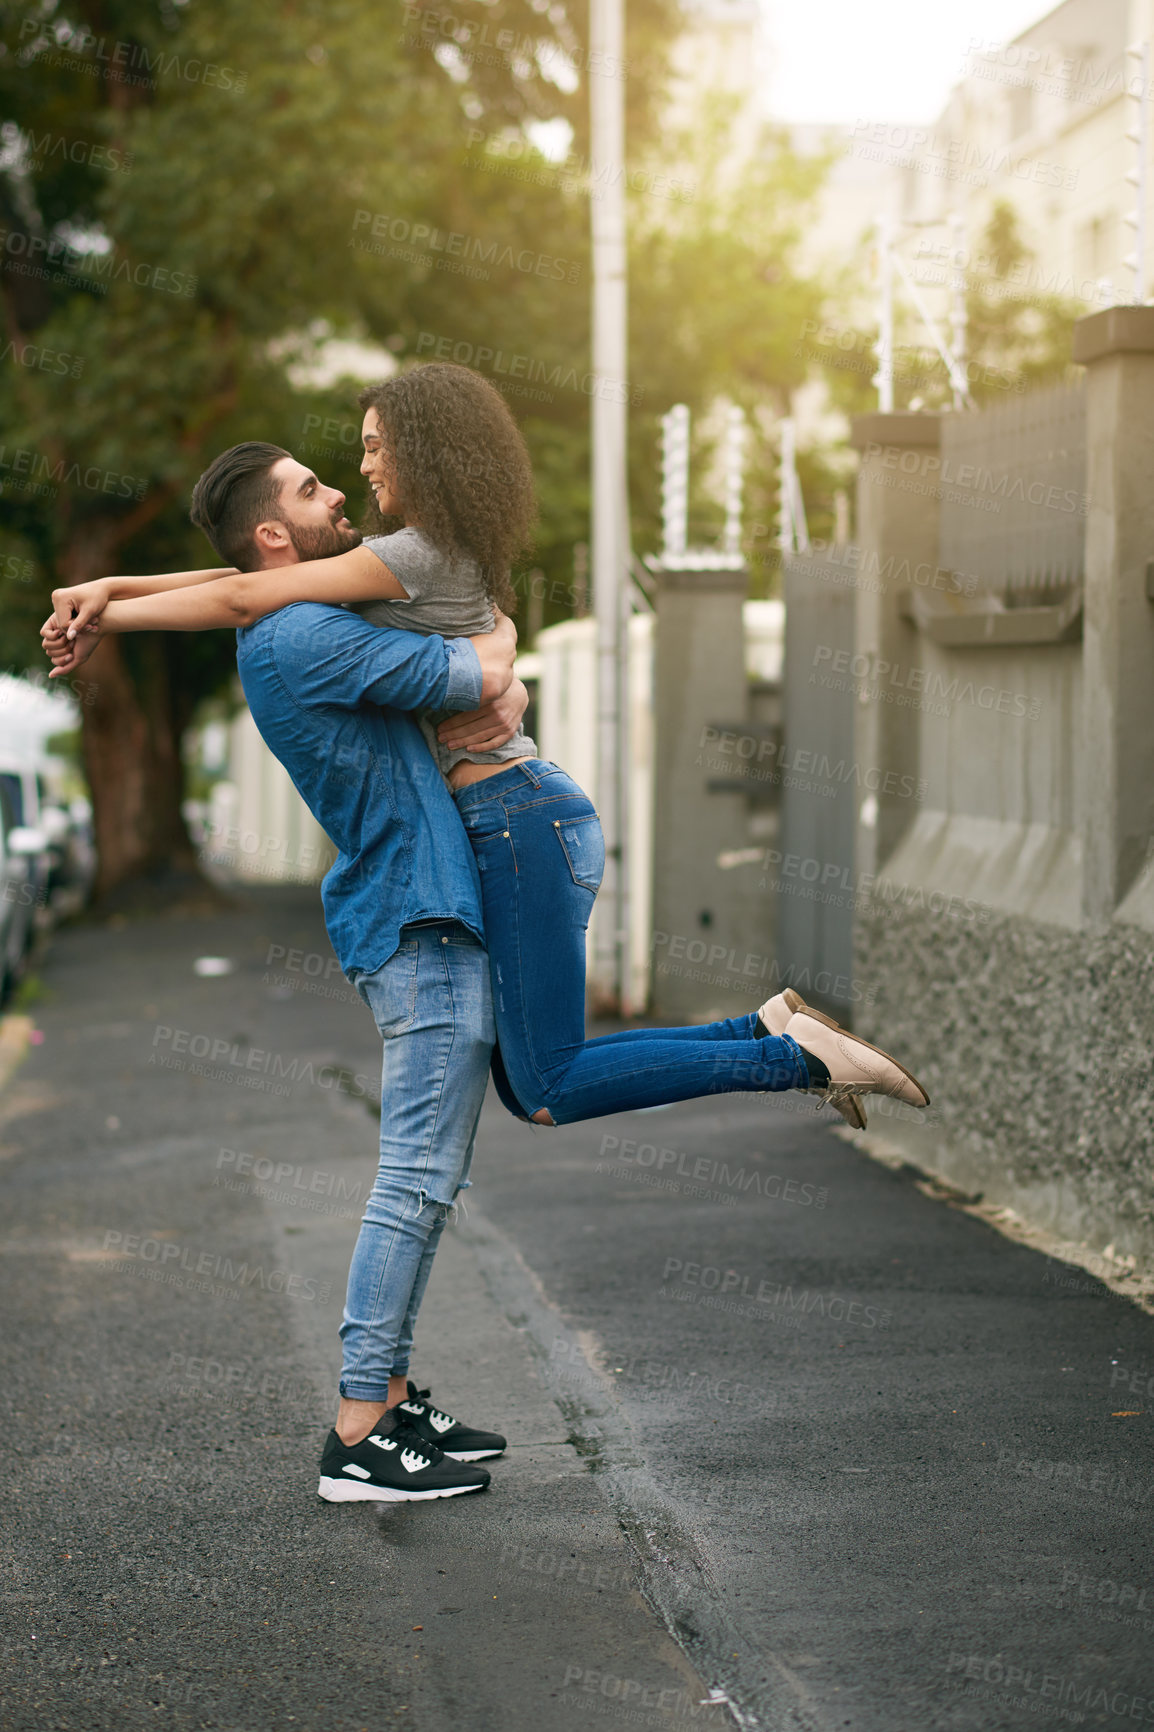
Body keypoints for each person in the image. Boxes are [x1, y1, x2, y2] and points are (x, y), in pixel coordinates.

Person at [42, 367, 929, 1500]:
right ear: (282, 534)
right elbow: (241, 585)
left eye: (366, 449)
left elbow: (271, 600)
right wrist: (109, 588)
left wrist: (113, 596)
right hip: (488, 844)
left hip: (511, 826)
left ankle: (777, 1055)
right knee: (516, 1095)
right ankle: (766, 1041)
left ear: (422, 447)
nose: (353, 473)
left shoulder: (392, 567)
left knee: (533, 1087)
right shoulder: (336, 599)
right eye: (328, 472)